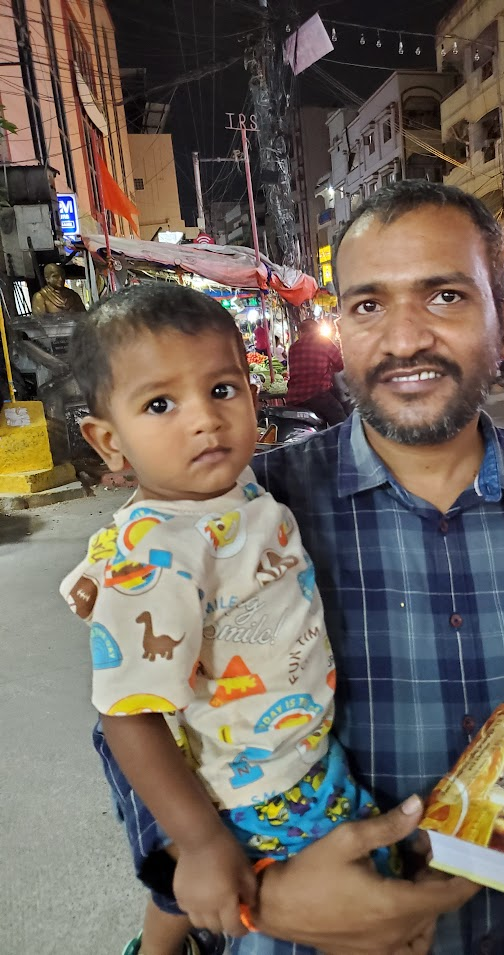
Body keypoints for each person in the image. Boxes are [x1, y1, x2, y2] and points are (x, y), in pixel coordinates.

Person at [94, 181, 504, 955]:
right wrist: (260, 897)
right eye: (367, 306)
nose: (403, 339)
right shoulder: (255, 510)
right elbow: (133, 717)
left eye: (446, 295)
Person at [60, 285, 395, 955]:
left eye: (221, 389)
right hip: (242, 793)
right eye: (160, 404)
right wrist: (201, 839)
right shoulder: (159, 553)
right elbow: (128, 716)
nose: (204, 421)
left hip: (298, 753)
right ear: (108, 440)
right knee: (364, 908)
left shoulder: (231, 491)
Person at [285, 318, 347, 425]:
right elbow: (340, 364)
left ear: (300, 332)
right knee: (342, 423)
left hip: (294, 398)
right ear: (317, 330)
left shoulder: (293, 347)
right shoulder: (324, 342)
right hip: (318, 394)